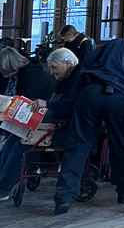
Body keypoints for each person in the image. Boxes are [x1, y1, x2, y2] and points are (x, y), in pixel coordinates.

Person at [53, 29, 124, 214]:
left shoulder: (117, 43)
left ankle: (63, 198)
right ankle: (123, 192)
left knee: (77, 145)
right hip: (120, 100)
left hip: (89, 94)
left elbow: (88, 61)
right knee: (120, 145)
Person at [0, 48, 84, 202]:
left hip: (64, 129)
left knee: (21, 145)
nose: (51, 72)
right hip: (53, 123)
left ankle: (4, 188)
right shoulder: (66, 80)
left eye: (54, 67)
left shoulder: (78, 79)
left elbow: (74, 106)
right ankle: (2, 181)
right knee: (13, 139)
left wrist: (47, 104)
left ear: (67, 63)